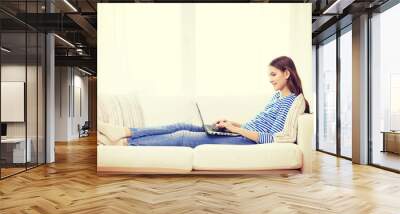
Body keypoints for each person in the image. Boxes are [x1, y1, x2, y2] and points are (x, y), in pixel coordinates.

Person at [98, 56, 309, 147]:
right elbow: (257, 124)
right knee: (181, 125)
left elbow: (272, 137)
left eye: (273, 75)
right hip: (240, 132)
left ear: (287, 73)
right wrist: (233, 123)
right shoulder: (276, 97)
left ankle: (127, 143)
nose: (270, 79)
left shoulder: (290, 102)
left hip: (245, 141)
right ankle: (125, 131)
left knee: (183, 137)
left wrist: (237, 131)